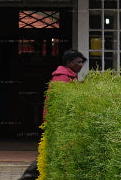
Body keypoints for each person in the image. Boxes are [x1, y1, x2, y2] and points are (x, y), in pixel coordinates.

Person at [24, 50, 86, 180]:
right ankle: (31, 175)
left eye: (82, 62)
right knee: (54, 151)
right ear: (69, 63)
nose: (81, 65)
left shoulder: (69, 77)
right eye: (78, 62)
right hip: (58, 122)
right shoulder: (62, 78)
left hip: (60, 121)